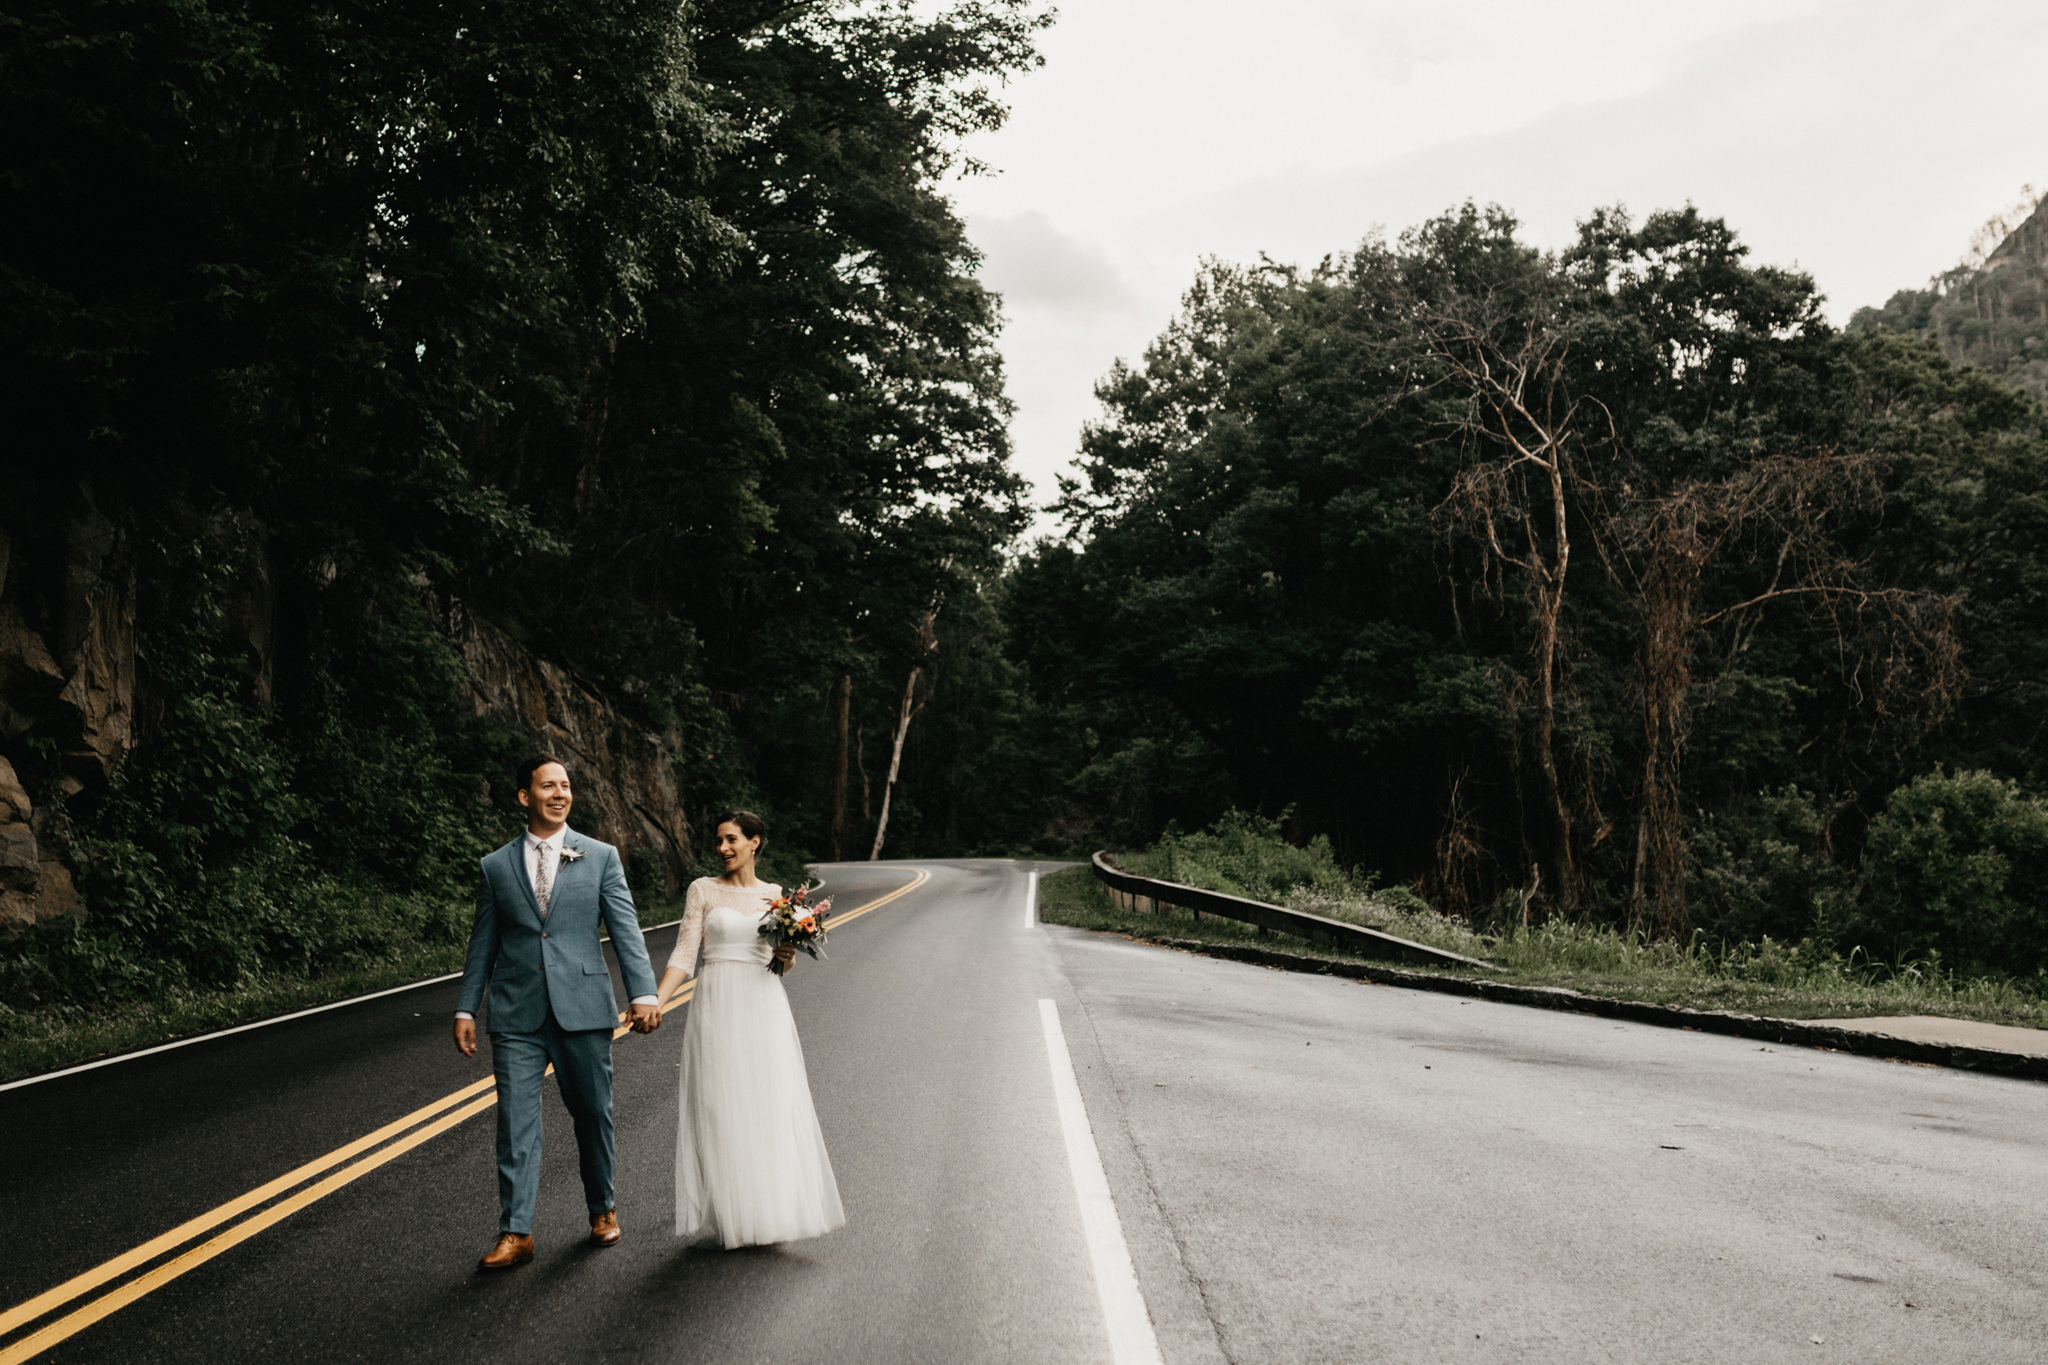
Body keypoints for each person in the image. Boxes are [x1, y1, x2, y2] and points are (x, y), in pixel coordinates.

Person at [453, 755, 663, 1270]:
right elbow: (483, 943)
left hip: (584, 1009)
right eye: (548, 785)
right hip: (516, 1014)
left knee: (593, 1114)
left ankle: (602, 1210)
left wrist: (644, 992)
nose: (559, 793)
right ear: (524, 796)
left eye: (565, 785)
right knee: (515, 1123)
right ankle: (516, 1232)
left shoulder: (600, 856)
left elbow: (626, 929)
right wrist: (465, 1007)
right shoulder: (495, 865)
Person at [652, 809, 845, 1248]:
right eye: (718, 840)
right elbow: (685, 954)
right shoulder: (703, 890)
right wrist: (656, 1001)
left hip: (763, 1005)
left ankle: (768, 1208)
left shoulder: (777, 897)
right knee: (719, 1103)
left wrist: (788, 957)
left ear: (755, 842)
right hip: (717, 1003)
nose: (722, 848)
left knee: (765, 1101)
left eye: (731, 839)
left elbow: (777, 961)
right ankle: (731, 1211)